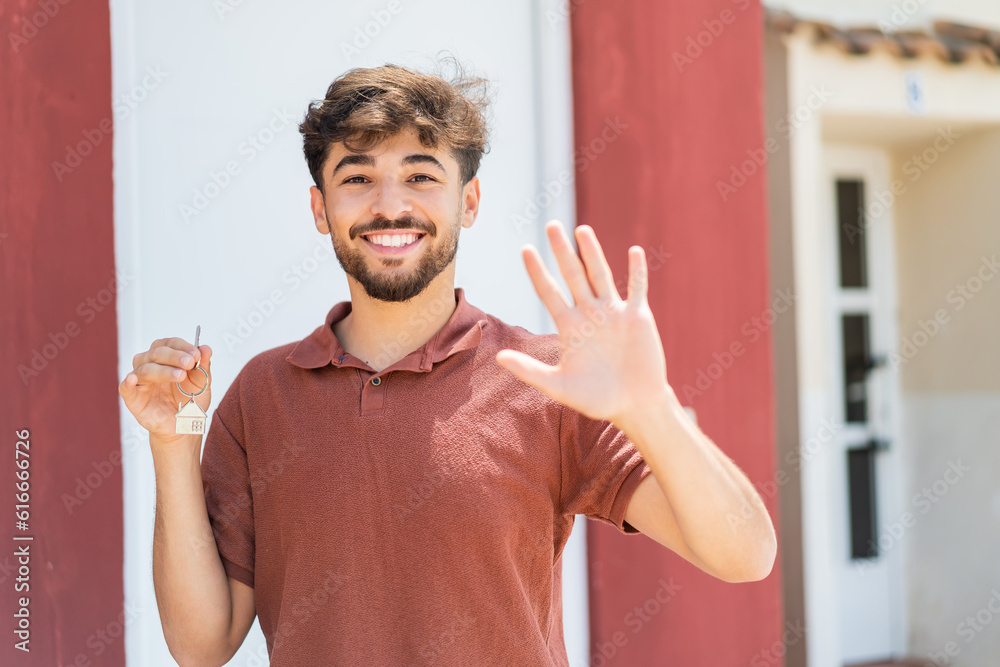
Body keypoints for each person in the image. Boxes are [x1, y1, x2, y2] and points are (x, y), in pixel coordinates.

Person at [119, 62, 776, 666]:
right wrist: (172, 445)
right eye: (356, 177)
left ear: (469, 201)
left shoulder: (548, 378)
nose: (390, 204)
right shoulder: (261, 394)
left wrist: (649, 404)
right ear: (321, 208)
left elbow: (745, 554)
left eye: (421, 174)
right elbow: (200, 644)